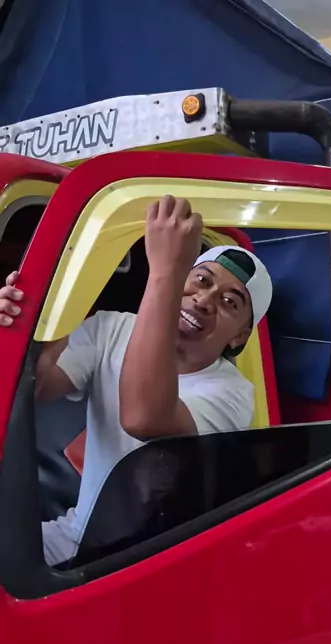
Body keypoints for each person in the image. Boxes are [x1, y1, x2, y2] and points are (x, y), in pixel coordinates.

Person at [0, 195, 273, 566]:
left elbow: (143, 418)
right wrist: (29, 319)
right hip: (77, 536)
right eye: (201, 280)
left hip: (152, 561)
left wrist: (166, 271)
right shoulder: (113, 328)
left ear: (239, 337)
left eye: (230, 302)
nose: (203, 300)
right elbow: (39, 386)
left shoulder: (233, 395)